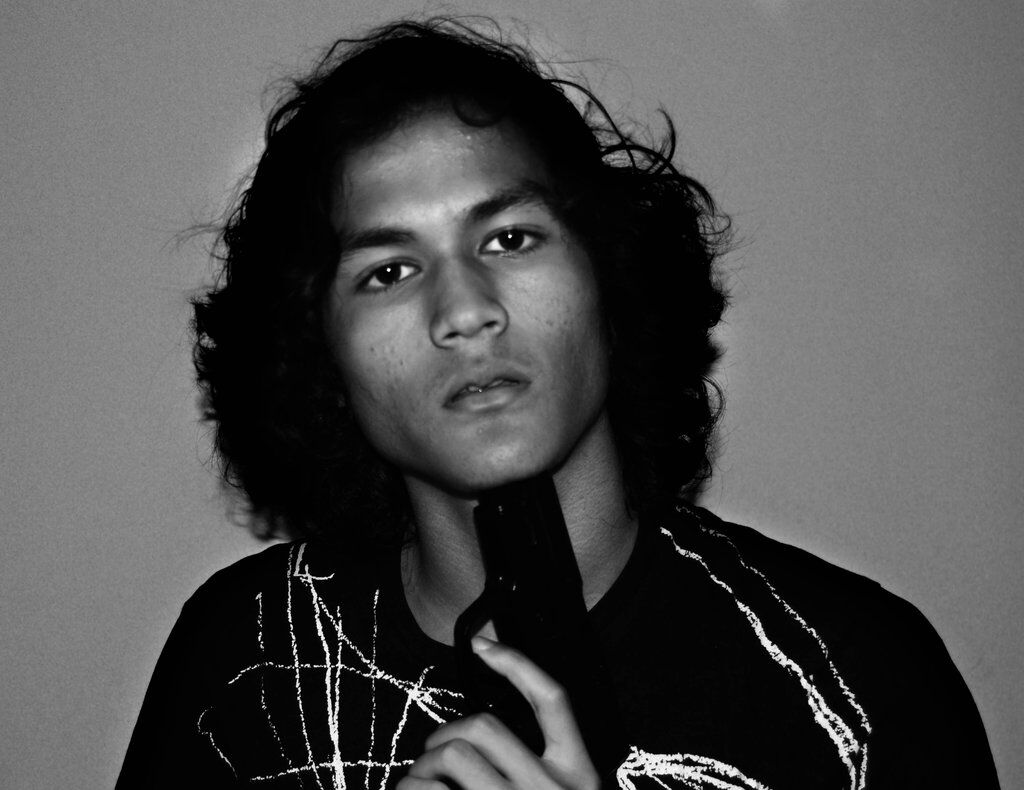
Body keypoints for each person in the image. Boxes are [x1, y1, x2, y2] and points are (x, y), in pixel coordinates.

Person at [117, 17, 999, 790]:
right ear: (319, 355)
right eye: (388, 271)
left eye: (510, 238)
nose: (464, 311)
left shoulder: (857, 679)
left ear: (611, 276)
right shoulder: (241, 661)